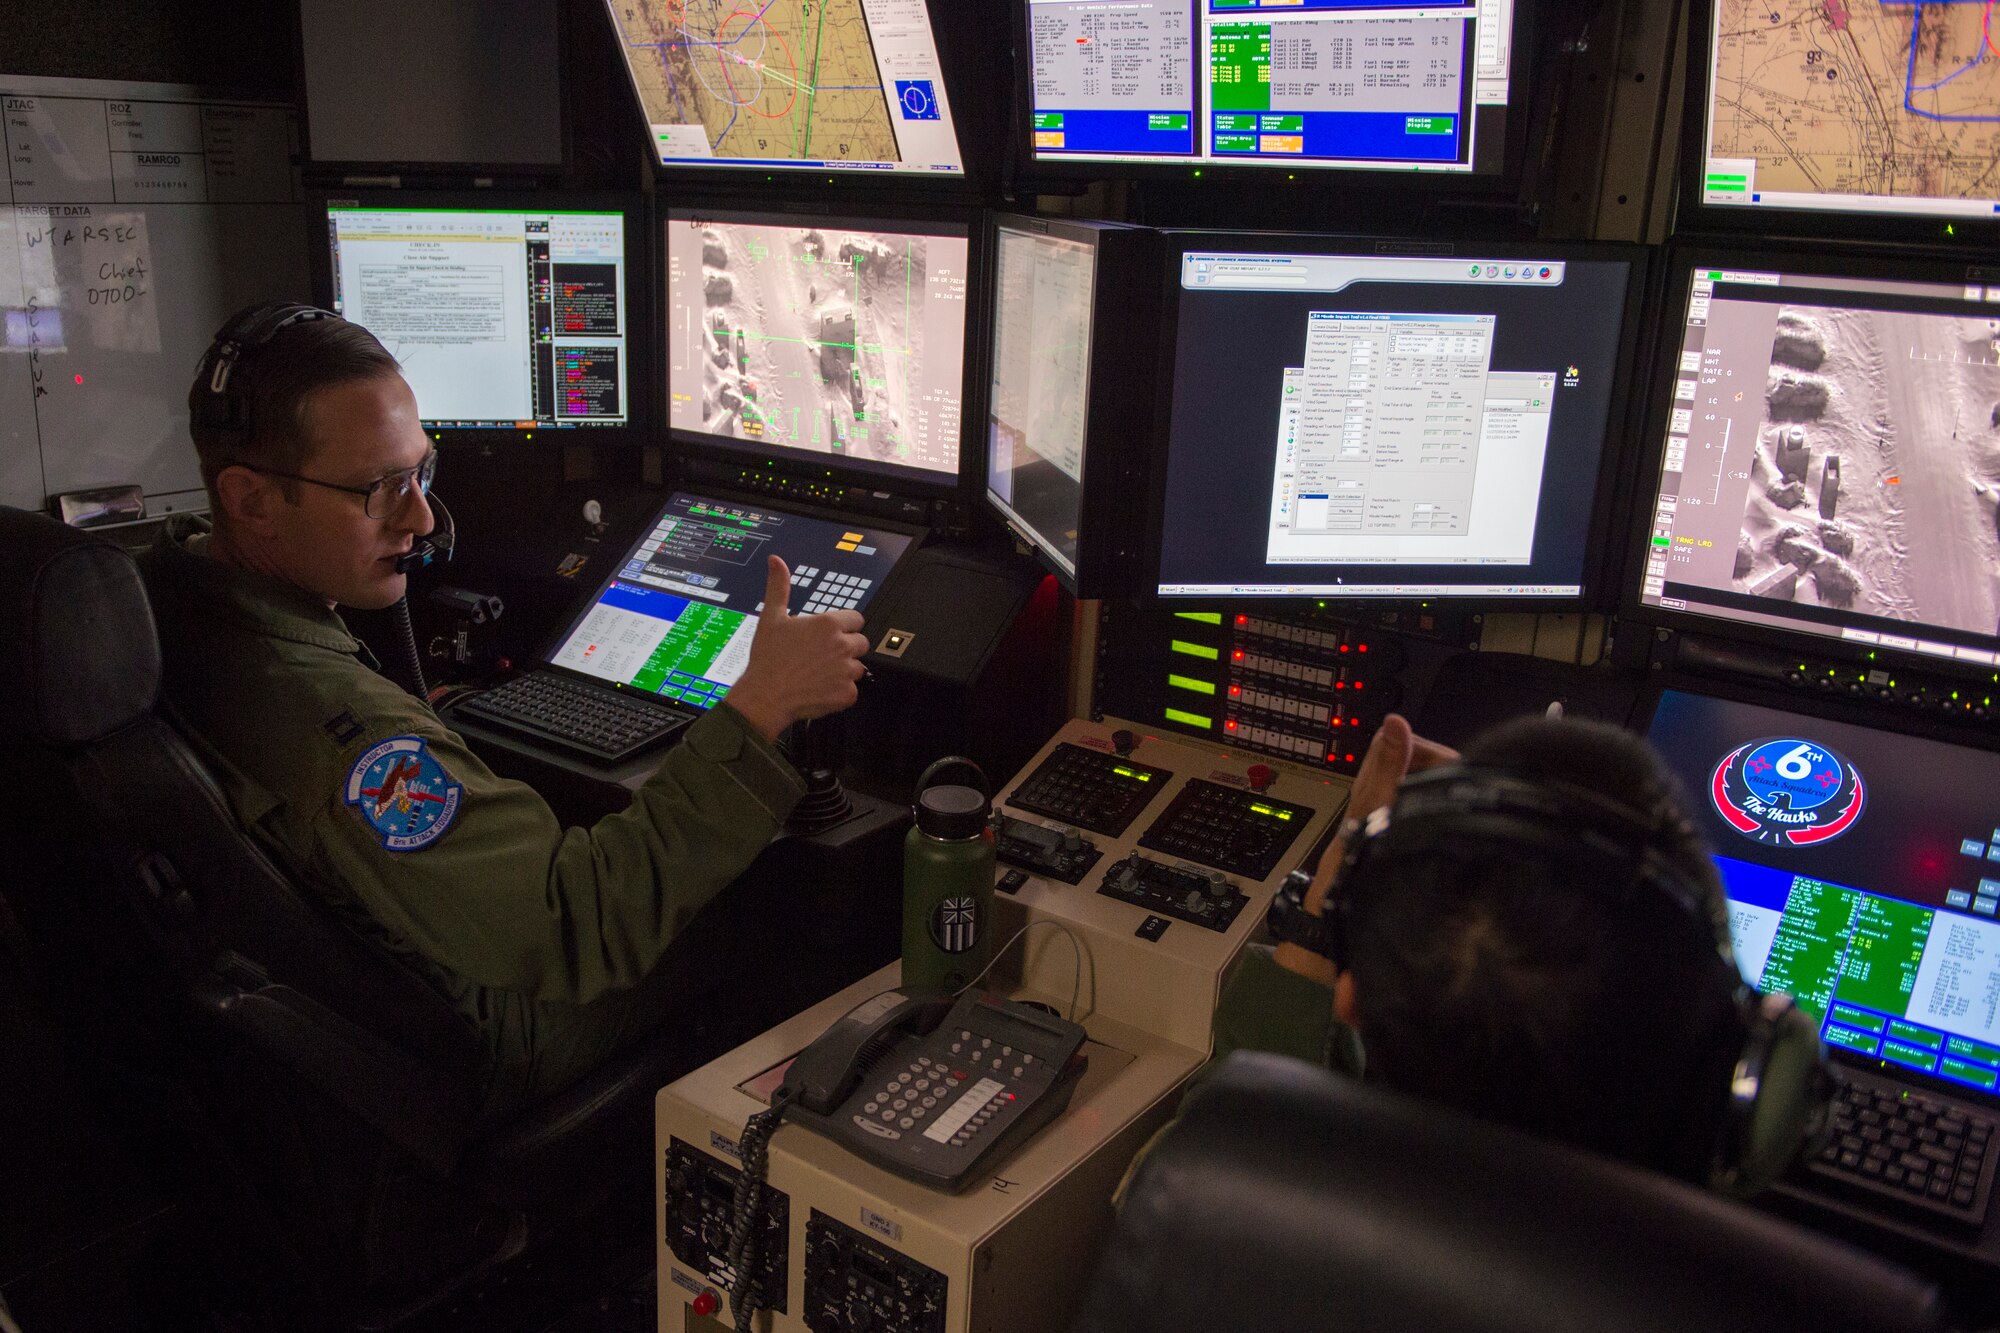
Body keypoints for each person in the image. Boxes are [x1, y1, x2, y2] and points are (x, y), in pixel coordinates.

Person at [139, 303, 869, 1119]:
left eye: (422, 471)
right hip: (478, 1034)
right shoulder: (347, 740)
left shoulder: (153, 599)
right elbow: (575, 926)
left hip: (355, 1001)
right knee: (795, 896)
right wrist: (759, 711)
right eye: (379, 490)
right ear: (251, 499)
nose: (419, 517)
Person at [1220, 710, 1826, 1193]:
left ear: (1349, 999)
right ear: (1735, 1070)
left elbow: (1225, 1131)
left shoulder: (1195, 1218)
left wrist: (1319, 933)